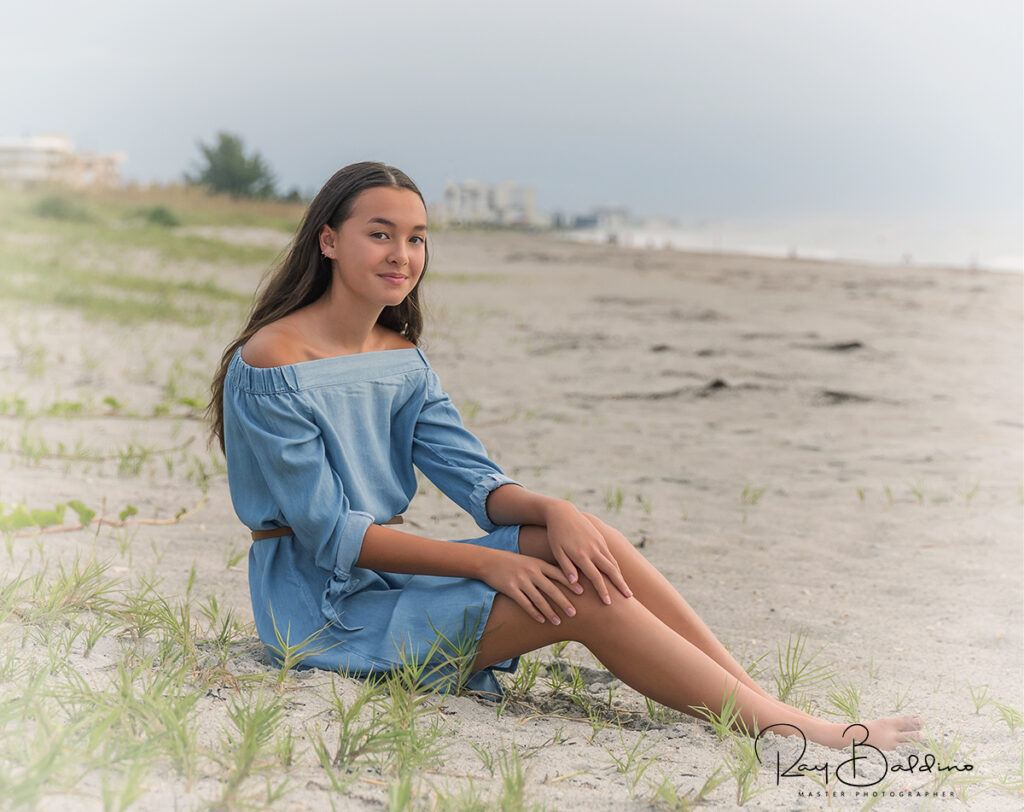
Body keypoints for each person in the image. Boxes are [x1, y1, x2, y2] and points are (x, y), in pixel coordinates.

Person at [208, 161, 921, 751]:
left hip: (391, 583)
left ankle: (755, 697)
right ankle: (804, 730)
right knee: (574, 593)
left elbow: (480, 486)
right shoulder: (275, 360)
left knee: (572, 539)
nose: (403, 255)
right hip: (321, 612)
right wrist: (492, 561)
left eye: (417, 238)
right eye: (381, 235)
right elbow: (336, 536)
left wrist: (557, 511)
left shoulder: (402, 359)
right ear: (329, 242)